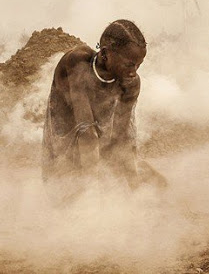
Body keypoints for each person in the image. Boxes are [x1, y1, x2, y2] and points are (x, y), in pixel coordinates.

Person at [42, 19, 166, 204]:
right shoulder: (77, 62)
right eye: (129, 64)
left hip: (97, 147)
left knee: (157, 186)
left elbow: (121, 137)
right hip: (64, 146)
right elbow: (86, 131)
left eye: (138, 65)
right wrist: (93, 194)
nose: (134, 71)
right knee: (67, 199)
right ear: (106, 54)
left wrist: (134, 187)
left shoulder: (130, 84)